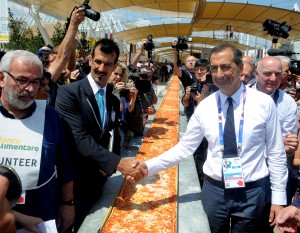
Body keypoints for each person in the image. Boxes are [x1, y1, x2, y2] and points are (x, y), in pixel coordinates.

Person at [130, 44, 288, 233]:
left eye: (225, 66)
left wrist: (279, 199)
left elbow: (276, 152)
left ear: (239, 67)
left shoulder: (263, 103)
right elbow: (185, 148)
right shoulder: (206, 107)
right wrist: (148, 166)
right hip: (214, 192)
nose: (219, 74)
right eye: (214, 68)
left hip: (252, 193)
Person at [55, 39, 146, 231]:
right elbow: (79, 138)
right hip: (73, 186)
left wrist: (111, 166)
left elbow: (111, 135)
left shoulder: (112, 97)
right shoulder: (68, 93)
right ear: (89, 60)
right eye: (98, 61)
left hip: (99, 181)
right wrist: (119, 164)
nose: (101, 68)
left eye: (107, 64)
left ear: (115, 66)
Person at [0, 50, 75, 232]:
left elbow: (65, 167)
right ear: (2, 79)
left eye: (35, 82)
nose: (31, 89)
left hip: (42, 220)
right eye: (22, 80)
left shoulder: (52, 118)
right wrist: (16, 216)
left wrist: (68, 204)